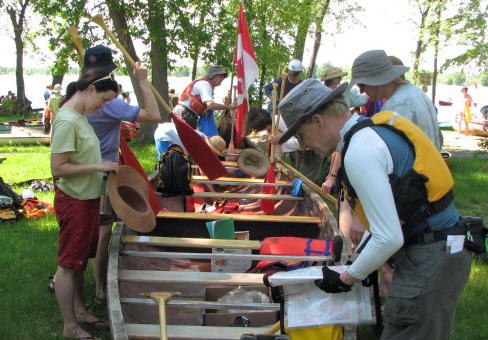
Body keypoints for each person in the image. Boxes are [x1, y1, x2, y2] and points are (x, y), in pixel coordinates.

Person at [278, 79, 471, 340]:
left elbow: (389, 236)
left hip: (431, 256)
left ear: (317, 120)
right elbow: (392, 217)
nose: (304, 145)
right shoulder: (366, 133)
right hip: (440, 248)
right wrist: (363, 259)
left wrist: (347, 277)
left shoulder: (360, 150)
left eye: (301, 135)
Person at [83, 45, 160, 301]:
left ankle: (67, 275)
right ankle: (100, 290)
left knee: (81, 228)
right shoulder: (110, 104)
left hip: (78, 173)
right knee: (104, 232)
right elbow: (154, 114)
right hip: (102, 175)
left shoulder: (75, 94)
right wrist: (143, 82)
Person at [50, 68, 119, 340]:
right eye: (103, 100)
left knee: (78, 260)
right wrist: (99, 165)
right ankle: (70, 326)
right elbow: (59, 168)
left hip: (88, 198)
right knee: (68, 265)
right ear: (91, 89)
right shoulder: (67, 120)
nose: (103, 106)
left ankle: (79, 312)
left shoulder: (79, 116)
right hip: (75, 200)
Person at [349, 49, 441, 149]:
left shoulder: (397, 105)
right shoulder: (415, 92)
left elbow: (391, 152)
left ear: (377, 79)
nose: (361, 91)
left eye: (362, 85)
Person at [175, 65, 235, 136]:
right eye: (222, 76)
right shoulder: (205, 85)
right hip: (184, 114)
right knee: (185, 142)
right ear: (214, 76)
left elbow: (206, 105)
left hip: (185, 114)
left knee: (187, 142)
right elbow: (210, 105)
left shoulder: (205, 84)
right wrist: (229, 107)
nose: (223, 78)